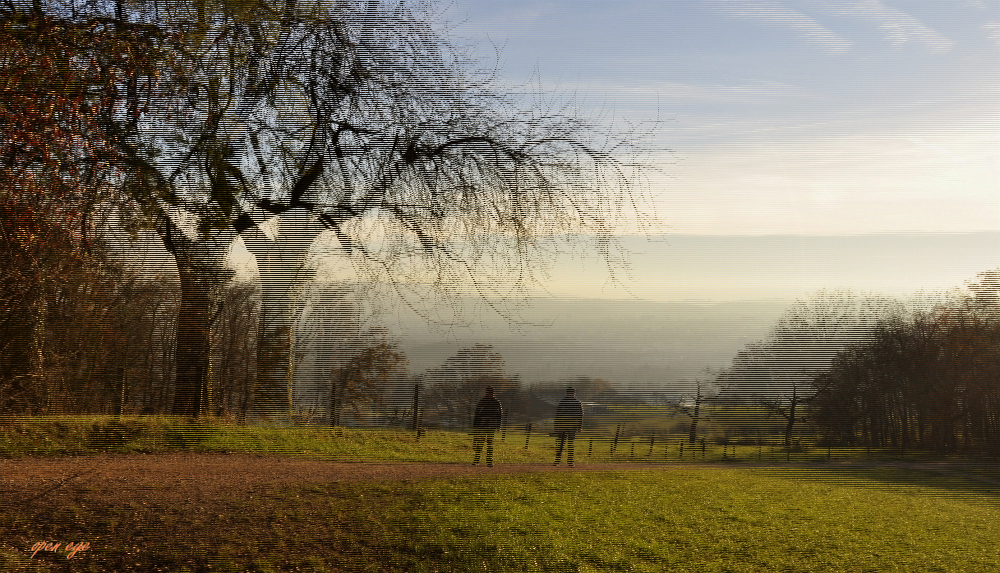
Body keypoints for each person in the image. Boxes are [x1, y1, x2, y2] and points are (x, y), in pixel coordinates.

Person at [472, 386, 503, 467]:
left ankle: (489, 461)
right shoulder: (482, 401)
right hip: (483, 425)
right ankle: (476, 460)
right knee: (480, 443)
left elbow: (499, 415)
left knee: (490, 443)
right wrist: (475, 425)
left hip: (491, 425)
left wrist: (498, 426)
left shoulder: (496, 402)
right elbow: (477, 413)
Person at [553, 387, 584, 466]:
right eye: (570, 393)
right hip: (563, 425)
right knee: (561, 444)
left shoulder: (577, 403)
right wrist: (556, 426)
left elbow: (580, 415)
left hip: (573, 426)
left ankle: (570, 461)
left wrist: (580, 426)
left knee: (571, 443)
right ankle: (557, 461)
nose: (572, 394)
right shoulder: (563, 402)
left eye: (573, 393)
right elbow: (558, 414)